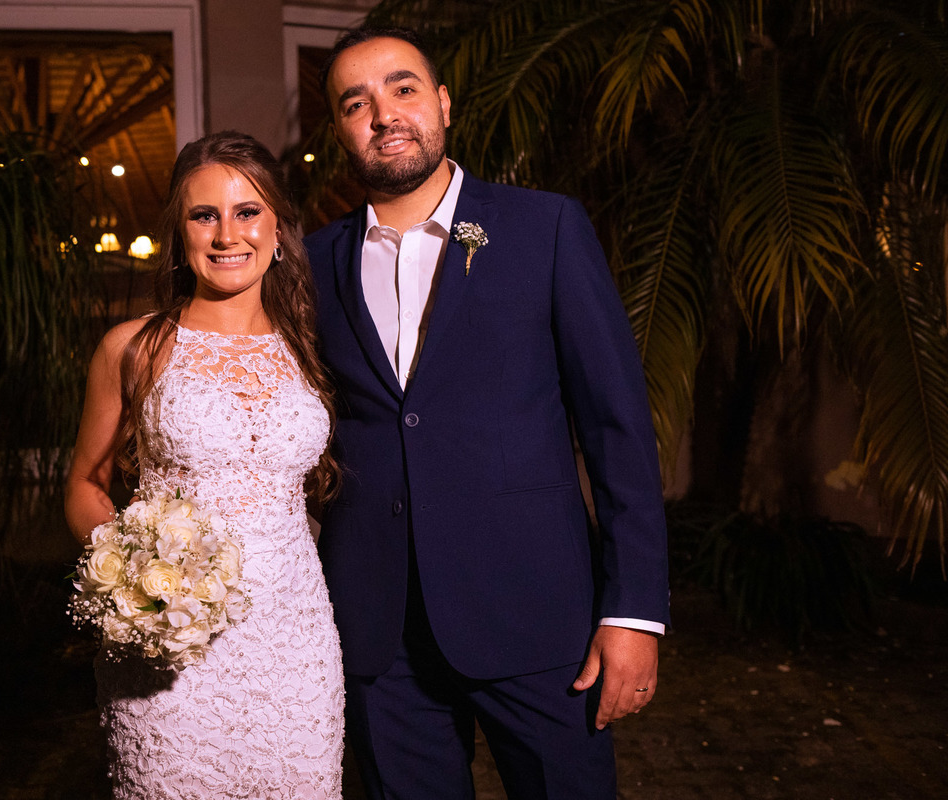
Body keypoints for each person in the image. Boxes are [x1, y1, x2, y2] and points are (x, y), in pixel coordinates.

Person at [304, 26, 671, 799]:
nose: (384, 114)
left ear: (442, 103)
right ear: (338, 129)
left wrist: (634, 611)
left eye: (403, 89)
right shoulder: (311, 264)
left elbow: (618, 429)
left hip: (537, 619)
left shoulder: (546, 228)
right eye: (356, 103)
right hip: (379, 635)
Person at [64, 131, 344, 799]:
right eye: (203, 215)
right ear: (180, 232)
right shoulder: (134, 348)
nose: (227, 235)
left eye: (247, 212)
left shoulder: (313, 347)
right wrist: (137, 582)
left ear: (278, 229)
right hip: (173, 652)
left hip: (295, 640)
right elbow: (84, 484)